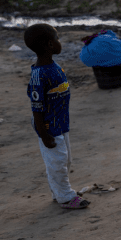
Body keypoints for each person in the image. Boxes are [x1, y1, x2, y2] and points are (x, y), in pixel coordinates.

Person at [24, 23, 89, 210]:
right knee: (57, 162)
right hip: (48, 126)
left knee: (64, 160)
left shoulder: (54, 67)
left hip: (61, 123)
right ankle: (66, 197)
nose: (59, 42)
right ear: (49, 45)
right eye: (57, 39)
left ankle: (59, 191)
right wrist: (44, 134)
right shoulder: (39, 76)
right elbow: (36, 109)